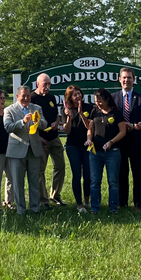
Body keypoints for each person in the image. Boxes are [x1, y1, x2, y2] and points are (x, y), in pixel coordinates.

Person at [4, 86, 47, 215]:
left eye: (28, 96)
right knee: (18, 182)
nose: (26, 98)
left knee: (34, 180)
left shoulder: (36, 108)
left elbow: (45, 124)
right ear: (17, 96)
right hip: (16, 151)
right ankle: (21, 210)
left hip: (34, 150)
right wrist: (22, 122)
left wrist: (37, 121)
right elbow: (8, 127)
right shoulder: (9, 110)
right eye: (23, 96)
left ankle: (35, 208)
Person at [112, 67, 141, 212]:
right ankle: (122, 202)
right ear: (119, 79)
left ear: (134, 80)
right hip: (120, 141)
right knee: (121, 173)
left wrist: (140, 124)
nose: (126, 80)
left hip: (137, 141)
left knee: (138, 173)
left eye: (129, 78)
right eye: (124, 77)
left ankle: (139, 203)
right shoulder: (113, 98)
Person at [84, 88, 126, 215]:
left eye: (100, 101)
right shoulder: (94, 111)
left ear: (107, 99)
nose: (98, 103)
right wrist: (89, 139)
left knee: (113, 181)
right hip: (95, 153)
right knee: (95, 181)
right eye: (96, 101)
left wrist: (111, 142)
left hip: (112, 153)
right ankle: (95, 208)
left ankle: (113, 207)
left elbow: (122, 131)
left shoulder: (116, 112)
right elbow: (90, 128)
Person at [31, 73, 66, 209]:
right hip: (41, 139)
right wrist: (37, 137)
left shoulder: (51, 98)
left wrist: (57, 122)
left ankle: (55, 195)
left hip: (54, 137)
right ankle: (43, 200)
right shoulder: (32, 99)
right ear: (37, 84)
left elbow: (56, 114)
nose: (47, 87)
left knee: (61, 165)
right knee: (40, 171)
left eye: (49, 84)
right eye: (44, 84)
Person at [62, 85, 93, 213]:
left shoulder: (89, 107)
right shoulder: (66, 110)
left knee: (88, 174)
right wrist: (68, 117)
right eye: (74, 95)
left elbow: (90, 126)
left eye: (79, 93)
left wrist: (81, 114)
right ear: (70, 97)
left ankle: (87, 200)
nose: (78, 96)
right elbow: (67, 131)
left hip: (86, 145)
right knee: (76, 174)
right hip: (72, 146)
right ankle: (79, 204)